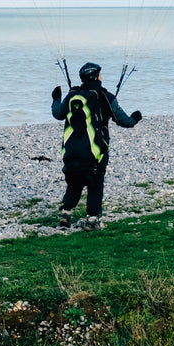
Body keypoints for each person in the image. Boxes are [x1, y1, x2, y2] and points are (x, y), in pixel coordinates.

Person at [51, 62, 141, 230]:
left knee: (74, 181)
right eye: (100, 74)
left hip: (71, 151)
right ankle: (92, 220)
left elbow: (58, 113)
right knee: (95, 182)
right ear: (95, 77)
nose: (101, 77)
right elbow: (123, 121)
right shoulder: (105, 96)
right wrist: (135, 118)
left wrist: (55, 98)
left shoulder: (72, 95)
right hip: (95, 152)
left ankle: (66, 214)